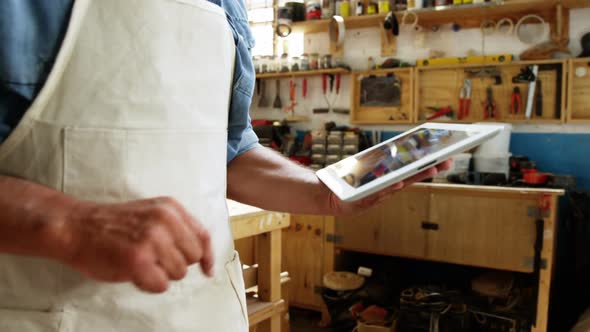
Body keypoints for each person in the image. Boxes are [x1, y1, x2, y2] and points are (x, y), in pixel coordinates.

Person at [0, 0, 451, 331]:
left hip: (204, 313)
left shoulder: (225, 7)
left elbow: (228, 151)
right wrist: (69, 226)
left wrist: (322, 190)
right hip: (58, 315)